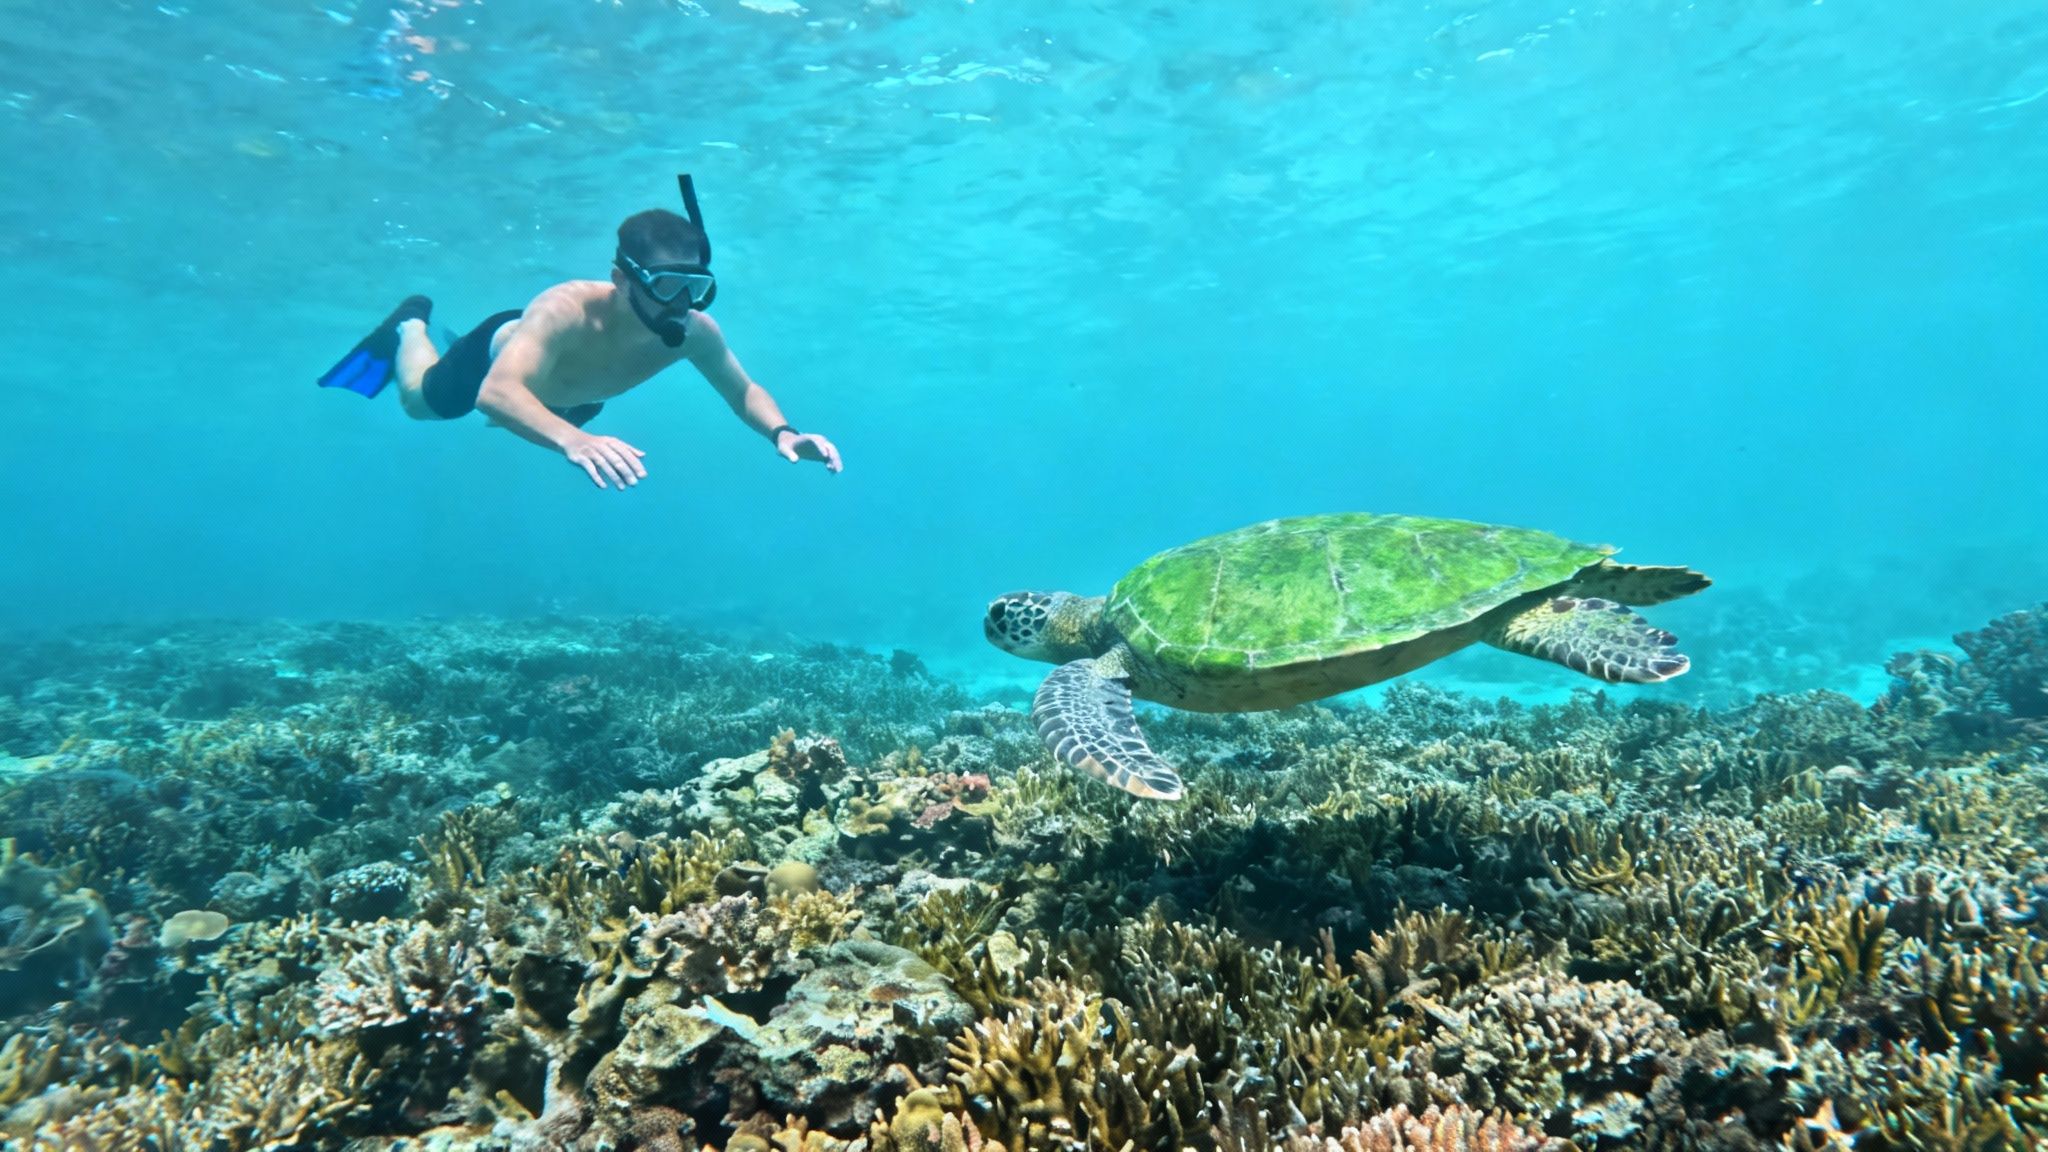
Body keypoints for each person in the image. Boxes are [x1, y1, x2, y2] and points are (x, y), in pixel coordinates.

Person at [317, 176, 842, 489]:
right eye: (665, 285)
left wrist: (784, 432)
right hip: (498, 364)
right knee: (421, 404)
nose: (681, 304)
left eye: (696, 286)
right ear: (622, 280)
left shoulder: (697, 330)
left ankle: (561, 410)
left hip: (575, 395)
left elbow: (743, 390)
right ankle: (410, 322)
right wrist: (574, 441)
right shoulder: (564, 307)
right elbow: (496, 394)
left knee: (559, 408)